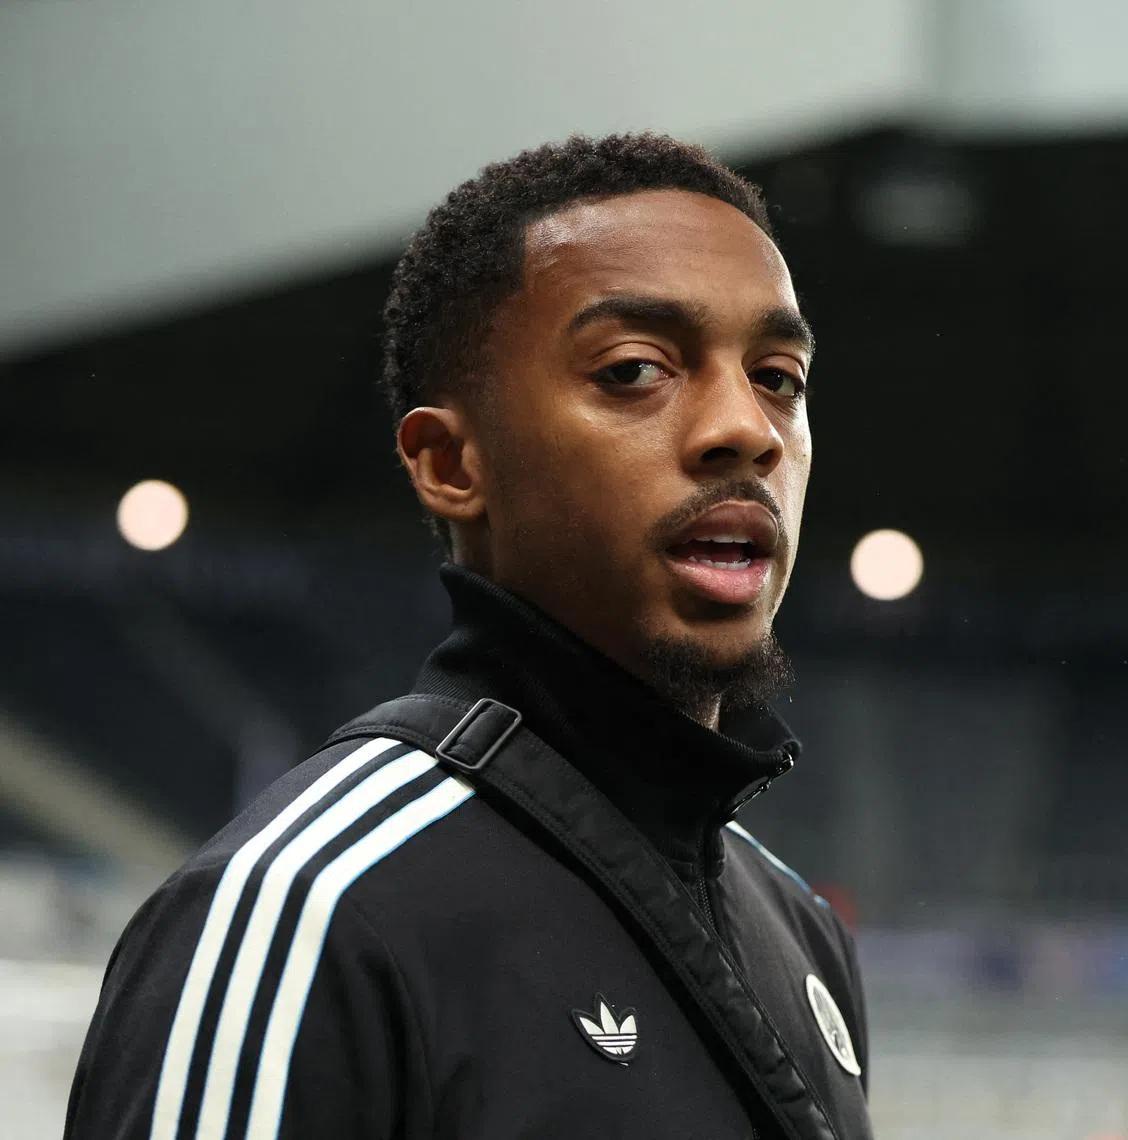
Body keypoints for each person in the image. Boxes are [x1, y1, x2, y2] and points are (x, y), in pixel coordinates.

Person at [66, 133, 873, 1139]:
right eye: (634, 370)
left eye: (779, 376)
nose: (746, 429)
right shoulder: (306, 911)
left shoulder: (800, 931)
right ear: (450, 463)